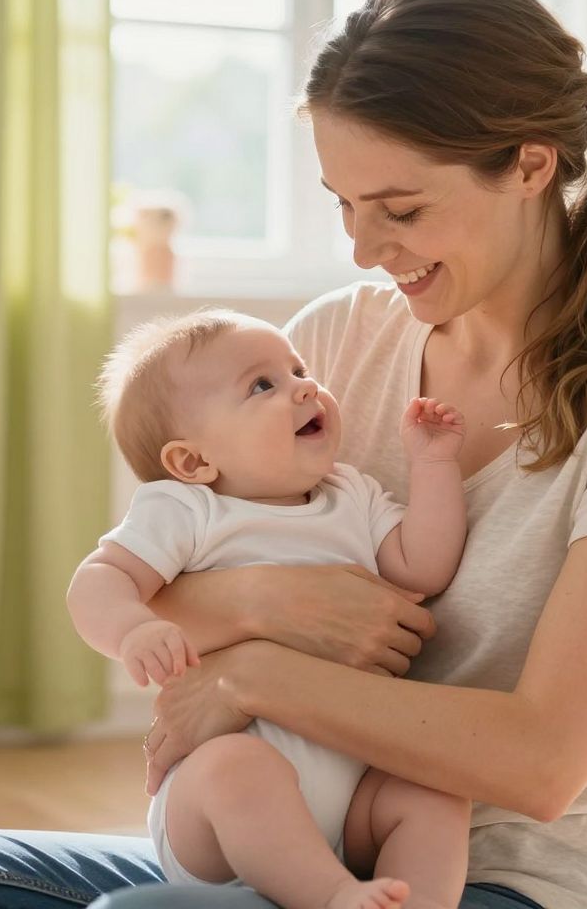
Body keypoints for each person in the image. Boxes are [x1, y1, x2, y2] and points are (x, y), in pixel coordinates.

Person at [0, 0, 587, 909]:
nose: (364, 249)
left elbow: (543, 761)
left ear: (529, 164)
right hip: (291, 841)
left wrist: (255, 676)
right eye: (343, 204)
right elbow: (149, 601)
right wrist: (270, 601)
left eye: (401, 209)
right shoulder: (338, 339)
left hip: (500, 877)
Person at [68, 309, 471, 909]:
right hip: (216, 817)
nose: (304, 386)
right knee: (239, 765)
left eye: (298, 369)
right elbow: (98, 580)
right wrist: (134, 629)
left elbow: (423, 567)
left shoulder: (350, 494)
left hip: (349, 798)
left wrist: (435, 465)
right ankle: (333, 898)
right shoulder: (187, 510)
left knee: (433, 794)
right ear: (192, 463)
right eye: (263, 385)